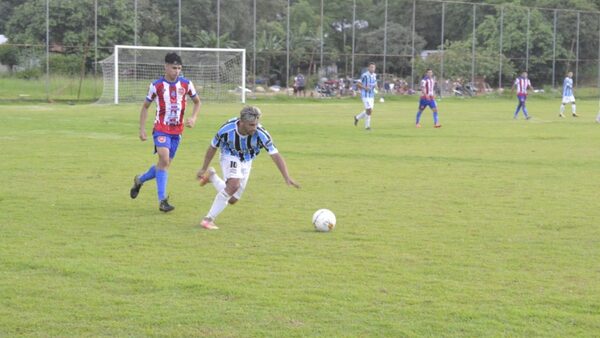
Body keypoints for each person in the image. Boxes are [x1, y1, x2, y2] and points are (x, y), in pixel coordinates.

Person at [196, 106, 300, 230]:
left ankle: (212, 176)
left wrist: (286, 176)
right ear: (242, 122)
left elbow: (275, 155)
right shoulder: (226, 130)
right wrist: (203, 168)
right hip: (229, 155)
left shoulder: (261, 134)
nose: (254, 128)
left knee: (233, 199)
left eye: (256, 124)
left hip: (247, 161)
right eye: (251, 125)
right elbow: (213, 147)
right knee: (233, 186)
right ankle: (208, 219)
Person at [129, 52, 201, 212]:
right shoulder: (156, 85)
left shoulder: (186, 84)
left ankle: (140, 179)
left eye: (179, 68)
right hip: (161, 128)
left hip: (177, 131)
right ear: (166, 67)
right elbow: (145, 107)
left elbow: (197, 102)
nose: (177, 71)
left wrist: (193, 118)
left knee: (164, 164)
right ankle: (162, 201)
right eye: (174, 67)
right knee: (164, 158)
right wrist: (142, 129)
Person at [353, 62, 378, 130]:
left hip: (371, 95)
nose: (372, 69)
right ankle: (367, 127)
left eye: (374, 67)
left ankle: (357, 117)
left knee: (369, 111)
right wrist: (365, 88)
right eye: (371, 67)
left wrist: (376, 87)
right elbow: (358, 84)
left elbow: (375, 83)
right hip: (365, 95)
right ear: (368, 68)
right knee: (369, 110)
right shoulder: (364, 75)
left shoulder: (374, 75)